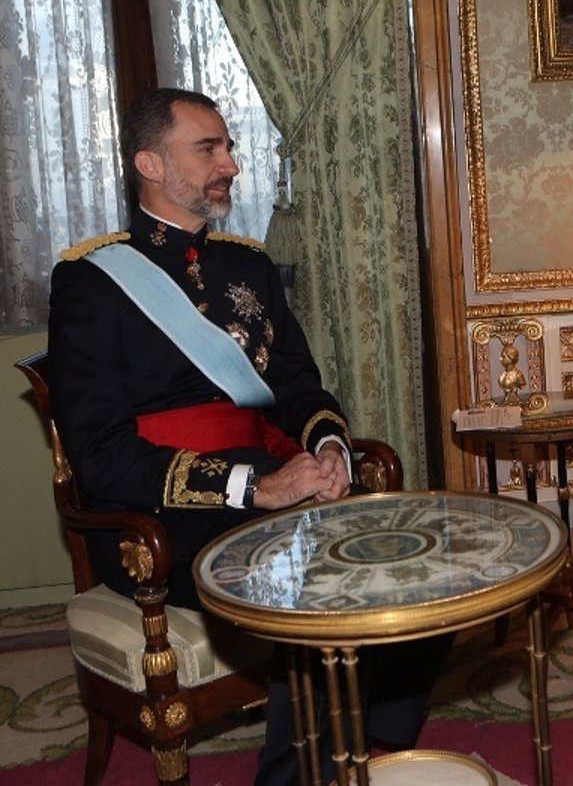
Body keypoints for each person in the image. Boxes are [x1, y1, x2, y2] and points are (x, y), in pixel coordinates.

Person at [48, 87, 450, 785]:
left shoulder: (248, 264)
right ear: (149, 163)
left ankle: (368, 742)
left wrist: (327, 449)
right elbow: (102, 456)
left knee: (420, 554)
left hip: (271, 475)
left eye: (228, 147)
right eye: (208, 149)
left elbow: (297, 387)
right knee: (306, 583)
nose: (230, 163)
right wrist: (253, 487)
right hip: (162, 513)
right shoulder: (91, 280)